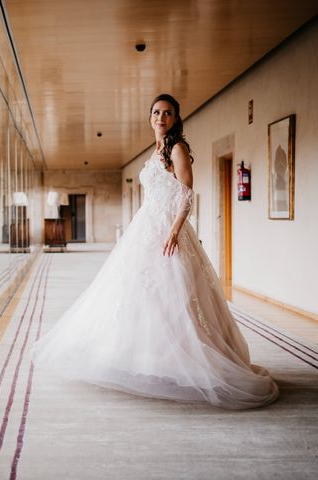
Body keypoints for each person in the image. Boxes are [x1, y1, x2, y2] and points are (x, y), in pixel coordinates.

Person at [32, 94, 278, 409]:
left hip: (167, 231)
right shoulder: (156, 150)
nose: (161, 117)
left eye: (168, 113)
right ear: (150, 117)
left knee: (175, 295)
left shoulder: (178, 149)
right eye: (156, 112)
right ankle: (150, 361)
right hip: (144, 229)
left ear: (176, 118)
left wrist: (174, 232)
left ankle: (186, 361)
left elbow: (187, 195)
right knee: (137, 295)